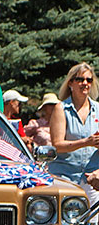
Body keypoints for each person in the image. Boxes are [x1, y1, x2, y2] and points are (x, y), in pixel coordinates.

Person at [47, 63, 99, 204]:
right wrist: (86, 142)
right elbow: (57, 145)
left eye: (89, 80)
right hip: (65, 177)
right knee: (64, 224)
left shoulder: (98, 109)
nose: (85, 83)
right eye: (80, 80)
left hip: (92, 179)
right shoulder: (61, 109)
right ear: (70, 83)